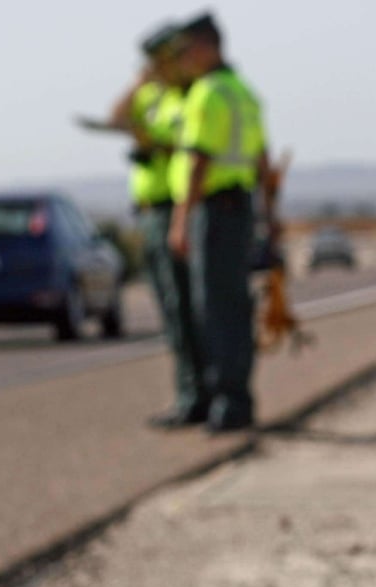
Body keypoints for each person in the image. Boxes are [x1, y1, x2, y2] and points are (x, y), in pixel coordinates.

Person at [167, 12, 275, 433]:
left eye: (186, 50)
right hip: (239, 207)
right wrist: (270, 213)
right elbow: (263, 158)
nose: (183, 60)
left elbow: (198, 161)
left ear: (207, 46)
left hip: (214, 210)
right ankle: (235, 398)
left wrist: (181, 220)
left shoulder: (208, 93)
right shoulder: (243, 92)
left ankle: (228, 402)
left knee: (214, 309)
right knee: (233, 305)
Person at [108, 23, 210, 429]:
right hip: (149, 211)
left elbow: (194, 149)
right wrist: (138, 83)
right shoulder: (151, 95)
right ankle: (191, 393)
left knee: (186, 308)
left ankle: (198, 396)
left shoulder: (185, 98)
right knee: (172, 311)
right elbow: (115, 117)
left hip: (174, 208)